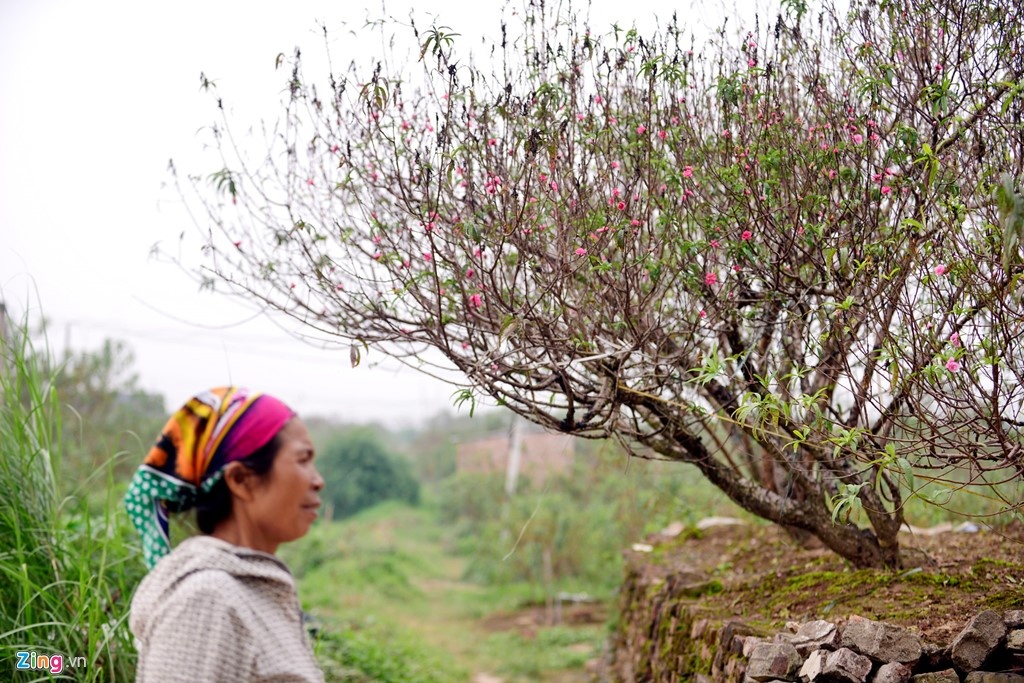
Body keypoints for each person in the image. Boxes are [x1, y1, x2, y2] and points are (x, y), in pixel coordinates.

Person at [124, 386, 326, 682]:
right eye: (302, 460)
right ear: (241, 480)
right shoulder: (206, 601)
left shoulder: (254, 590)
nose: (317, 480)